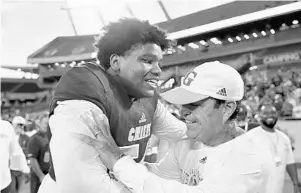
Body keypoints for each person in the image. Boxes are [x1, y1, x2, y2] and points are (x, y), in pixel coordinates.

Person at [38, 18, 187, 193]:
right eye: (147, 60)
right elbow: (81, 187)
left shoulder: (146, 98)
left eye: (158, 62)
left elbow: (186, 134)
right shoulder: (85, 92)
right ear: (116, 62)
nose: (158, 70)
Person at [77, 61, 276, 193]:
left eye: (194, 105)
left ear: (227, 108)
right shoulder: (189, 144)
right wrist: (112, 156)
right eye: (183, 104)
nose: (183, 112)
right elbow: (157, 176)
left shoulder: (251, 157)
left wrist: (119, 162)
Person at [248, 104, 301, 193]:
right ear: (259, 115)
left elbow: (290, 162)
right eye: (266, 113)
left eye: (273, 112)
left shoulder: (284, 138)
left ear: (278, 114)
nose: (270, 115)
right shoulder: (251, 137)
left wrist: (296, 183)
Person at [0, 120, 29, 193]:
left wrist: (25, 169)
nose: (20, 127)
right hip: (11, 172)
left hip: (6, 180)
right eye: (18, 125)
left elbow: (17, 152)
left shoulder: (6, 127)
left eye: (22, 125)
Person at [27, 114, 50, 193]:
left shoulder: (49, 136)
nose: (47, 126)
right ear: (39, 123)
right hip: (38, 177)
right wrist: (41, 176)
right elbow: (33, 160)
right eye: (46, 123)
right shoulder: (34, 139)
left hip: (48, 175)